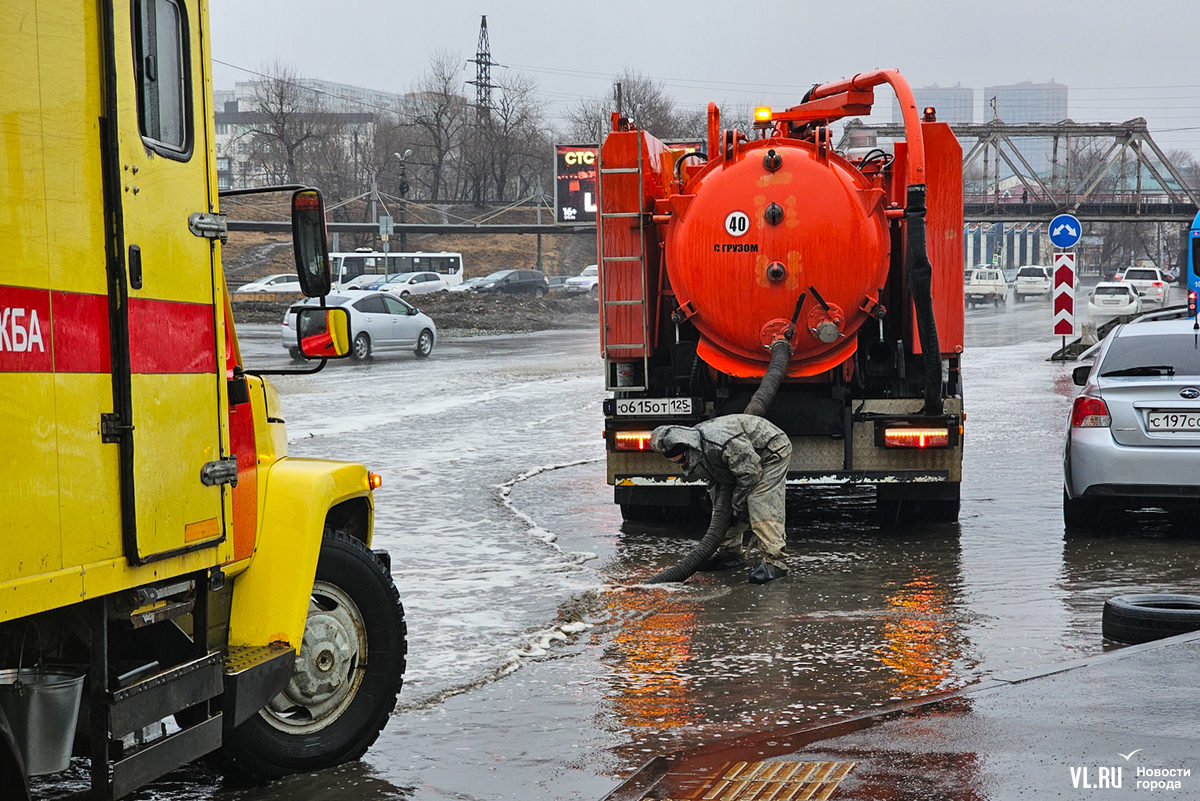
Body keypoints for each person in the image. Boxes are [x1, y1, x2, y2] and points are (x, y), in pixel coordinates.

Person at [650, 415, 792, 584]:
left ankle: (774, 562)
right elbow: (716, 482)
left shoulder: (720, 442)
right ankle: (729, 553)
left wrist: (737, 506)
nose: (682, 465)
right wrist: (725, 511)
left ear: (688, 448)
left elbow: (750, 474)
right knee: (721, 509)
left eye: (682, 460)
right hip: (743, 461)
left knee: (759, 500)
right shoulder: (699, 448)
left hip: (770, 451)